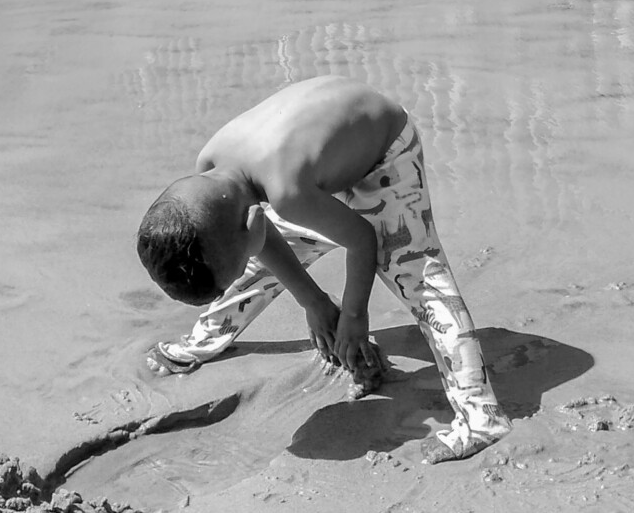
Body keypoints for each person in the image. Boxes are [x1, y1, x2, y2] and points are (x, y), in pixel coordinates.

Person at [135, 75, 510, 462]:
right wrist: (312, 301)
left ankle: (482, 416)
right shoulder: (213, 167)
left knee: (416, 273)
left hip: (386, 153)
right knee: (258, 265)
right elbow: (261, 237)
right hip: (329, 158)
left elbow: (362, 239)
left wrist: (353, 314)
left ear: (251, 221)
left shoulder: (286, 193)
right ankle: (207, 336)